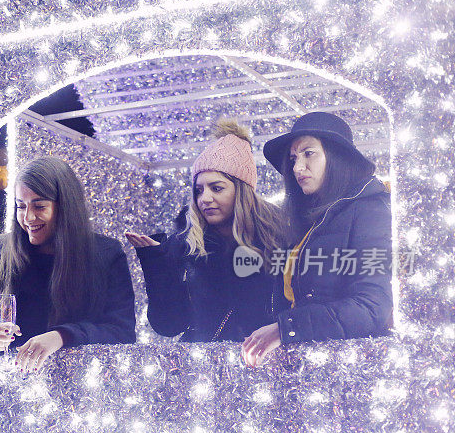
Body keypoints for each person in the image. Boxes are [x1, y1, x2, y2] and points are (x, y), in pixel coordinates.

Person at [242, 111, 392, 366]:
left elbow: (371, 307)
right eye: (293, 158)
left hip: (350, 374)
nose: (298, 167)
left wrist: (285, 328)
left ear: (337, 157)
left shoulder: (371, 210)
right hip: (305, 371)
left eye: (308, 153)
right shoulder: (309, 221)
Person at [0, 156, 136, 373]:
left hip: (78, 393)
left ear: (65, 207)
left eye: (39, 206)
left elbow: (121, 333)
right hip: (7, 391)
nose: (28, 217)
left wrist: (61, 337)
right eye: (20, 206)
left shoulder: (106, 254)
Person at [126, 120, 284, 342]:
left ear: (242, 191)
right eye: (199, 190)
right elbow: (168, 325)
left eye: (217, 188)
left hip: (265, 363)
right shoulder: (185, 244)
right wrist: (157, 263)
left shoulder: (279, 238)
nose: (205, 199)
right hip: (202, 367)